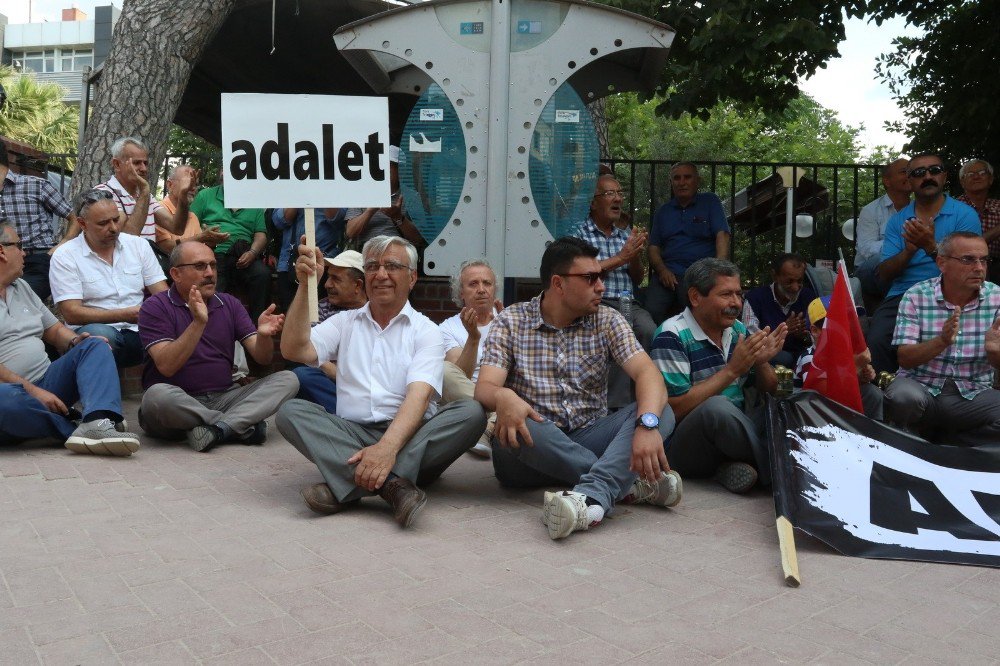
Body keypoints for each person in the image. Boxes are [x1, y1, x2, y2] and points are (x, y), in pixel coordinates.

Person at [475, 237, 678, 541]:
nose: (601, 286)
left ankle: (591, 499)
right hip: (528, 448)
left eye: (601, 277)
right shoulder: (512, 321)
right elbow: (485, 387)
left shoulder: (607, 319)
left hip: (588, 435)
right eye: (590, 278)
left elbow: (649, 374)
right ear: (558, 284)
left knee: (660, 410)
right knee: (520, 419)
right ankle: (628, 484)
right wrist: (504, 396)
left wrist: (647, 426)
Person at [277, 236, 486, 527]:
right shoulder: (344, 322)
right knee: (290, 412)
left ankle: (347, 484)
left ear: (412, 277)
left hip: (412, 439)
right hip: (352, 433)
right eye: (373, 266)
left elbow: (419, 396)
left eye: (392, 266)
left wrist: (386, 449)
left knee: (471, 413)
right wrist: (304, 285)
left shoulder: (426, 331)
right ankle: (394, 487)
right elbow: (294, 350)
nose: (381, 274)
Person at [137, 241, 298, 451]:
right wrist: (198, 323)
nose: (210, 273)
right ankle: (236, 426)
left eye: (213, 265)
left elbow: (263, 358)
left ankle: (218, 430)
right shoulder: (155, 307)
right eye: (200, 266)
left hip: (225, 396)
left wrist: (264, 336)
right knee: (156, 397)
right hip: (179, 402)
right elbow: (167, 366)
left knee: (289, 379)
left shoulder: (229, 303)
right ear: (176, 274)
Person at [0, 221, 140, 454]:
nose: (25, 253)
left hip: (48, 383)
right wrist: (35, 393)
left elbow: (53, 330)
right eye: (19, 245)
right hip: (12, 393)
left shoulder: (21, 287)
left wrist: (76, 341)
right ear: (1, 251)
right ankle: (71, 426)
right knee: (6, 401)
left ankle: (97, 420)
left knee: (95, 343)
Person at [651, 258, 787, 494]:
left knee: (791, 401)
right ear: (695, 297)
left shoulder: (737, 331)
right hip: (685, 444)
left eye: (739, 294)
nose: (736, 303)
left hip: (734, 432)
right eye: (726, 294)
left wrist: (762, 361)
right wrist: (731, 371)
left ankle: (726, 468)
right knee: (717, 408)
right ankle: (781, 474)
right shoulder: (671, 335)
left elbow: (769, 391)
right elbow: (674, 409)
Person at [868, 154, 981, 373]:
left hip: (952, 292)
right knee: (878, 338)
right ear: (909, 182)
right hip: (904, 293)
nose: (927, 176)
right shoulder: (898, 221)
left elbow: (968, 268)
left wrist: (930, 246)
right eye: (919, 173)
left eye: (934, 170)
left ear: (944, 176)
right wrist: (909, 251)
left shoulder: (964, 215)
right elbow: (884, 274)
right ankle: (886, 398)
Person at [885, 232, 1000, 445]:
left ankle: (950, 446)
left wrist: (995, 354)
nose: (979, 267)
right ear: (942, 263)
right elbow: (905, 359)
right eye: (968, 259)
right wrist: (942, 341)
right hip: (921, 387)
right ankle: (910, 449)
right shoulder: (916, 295)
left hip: (974, 393)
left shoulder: (997, 298)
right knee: (902, 397)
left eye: (984, 260)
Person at [50, 190, 168, 368]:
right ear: (82, 224)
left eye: (116, 219)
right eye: (103, 223)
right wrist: (125, 314)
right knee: (99, 338)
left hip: (140, 328)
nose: (113, 228)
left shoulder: (138, 245)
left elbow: (163, 294)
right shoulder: (65, 255)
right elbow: (71, 313)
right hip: (98, 331)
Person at [572, 174, 657, 409]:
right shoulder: (580, 233)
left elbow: (638, 279)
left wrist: (635, 255)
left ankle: (647, 396)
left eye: (620, 193)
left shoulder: (624, 234)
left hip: (629, 301)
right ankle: (617, 407)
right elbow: (582, 273)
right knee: (621, 331)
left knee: (650, 330)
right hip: (598, 301)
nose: (618, 199)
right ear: (593, 202)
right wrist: (621, 257)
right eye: (610, 194)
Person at [646, 162, 731, 324]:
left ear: (697, 181)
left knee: (695, 312)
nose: (682, 182)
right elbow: (653, 247)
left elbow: (723, 235)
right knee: (651, 311)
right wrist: (662, 270)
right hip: (668, 273)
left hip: (700, 273)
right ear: (671, 183)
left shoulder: (710, 202)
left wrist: (718, 270)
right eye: (676, 178)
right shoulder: (663, 212)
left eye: (687, 177)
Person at [290, 249, 367, 414]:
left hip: (372, 385)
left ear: (358, 285)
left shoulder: (377, 311)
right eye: (328, 277)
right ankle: (353, 416)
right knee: (301, 376)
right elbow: (315, 357)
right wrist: (349, 380)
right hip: (335, 383)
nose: (327, 284)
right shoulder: (320, 309)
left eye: (336, 279)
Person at [439, 259, 503, 458]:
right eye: (473, 284)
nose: (481, 289)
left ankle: (488, 426)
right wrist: (473, 338)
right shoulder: (447, 328)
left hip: (503, 389)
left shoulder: (510, 319)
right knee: (443, 371)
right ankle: (494, 420)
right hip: (467, 397)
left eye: (487, 283)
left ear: (494, 290)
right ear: (461, 293)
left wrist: (507, 331)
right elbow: (459, 375)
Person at [0, 138, 78, 301]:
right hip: (3, 263)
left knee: (18, 301)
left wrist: (56, 250)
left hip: (37, 261)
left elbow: (75, 219)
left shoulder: (36, 185)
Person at [189, 172, 271, 321]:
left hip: (244, 254)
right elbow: (189, 224)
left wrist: (253, 253)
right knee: (211, 279)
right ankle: (207, 326)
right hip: (213, 252)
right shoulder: (205, 196)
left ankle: (256, 327)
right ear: (222, 176)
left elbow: (261, 235)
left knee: (262, 274)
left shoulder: (254, 201)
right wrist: (204, 235)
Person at [794, 296, 883, 420]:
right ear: (815, 331)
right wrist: (855, 366)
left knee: (872, 393)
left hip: (840, 414)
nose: (846, 329)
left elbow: (848, 387)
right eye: (838, 323)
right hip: (813, 419)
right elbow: (823, 397)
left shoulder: (844, 354)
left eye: (848, 322)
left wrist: (862, 377)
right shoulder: (809, 358)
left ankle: (873, 435)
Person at [94, 137, 191, 240]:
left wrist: (183, 196)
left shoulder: (145, 196)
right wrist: (144, 190)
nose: (144, 169)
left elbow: (177, 228)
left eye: (145, 163)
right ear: (117, 164)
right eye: (136, 163)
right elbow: (129, 236)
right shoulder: (103, 193)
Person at [741, 253, 816, 368]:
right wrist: (783, 330)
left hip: (803, 355)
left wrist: (804, 336)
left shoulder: (809, 297)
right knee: (785, 358)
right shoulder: (755, 298)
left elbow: (820, 337)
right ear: (774, 276)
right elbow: (751, 342)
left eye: (800, 281)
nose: (795, 287)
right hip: (768, 357)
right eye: (789, 281)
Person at [344, 146, 425, 249]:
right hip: (366, 254)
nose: (382, 170)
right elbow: (350, 232)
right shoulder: (361, 194)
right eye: (379, 165)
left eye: (389, 167)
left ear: (401, 171)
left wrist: (398, 217)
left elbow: (419, 238)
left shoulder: (412, 197)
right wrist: (370, 210)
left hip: (398, 253)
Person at [855, 158, 911, 299]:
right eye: (904, 172)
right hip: (869, 271)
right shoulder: (871, 210)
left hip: (906, 265)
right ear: (887, 181)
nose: (909, 176)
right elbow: (866, 249)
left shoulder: (920, 209)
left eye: (911, 172)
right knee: (882, 259)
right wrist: (901, 246)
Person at [272, 208, 346, 311]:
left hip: (322, 263)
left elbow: (338, 218)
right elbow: (278, 221)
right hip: (288, 264)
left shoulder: (333, 191)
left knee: (318, 317)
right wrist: (302, 194)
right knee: (289, 315)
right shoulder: (287, 192)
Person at [155, 165, 229, 256]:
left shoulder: (192, 216)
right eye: (188, 183)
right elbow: (165, 248)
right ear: (170, 185)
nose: (193, 188)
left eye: (195, 184)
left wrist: (210, 242)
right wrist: (201, 237)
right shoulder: (158, 210)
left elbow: (199, 251)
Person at [956, 159, 1000, 284]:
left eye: (982, 172)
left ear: (990, 179)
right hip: (964, 267)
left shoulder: (998, 206)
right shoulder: (954, 209)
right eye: (970, 174)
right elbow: (965, 246)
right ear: (962, 182)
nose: (976, 177)